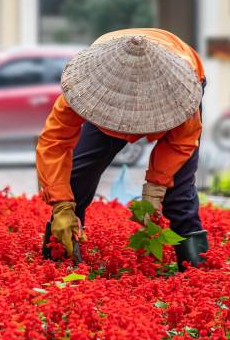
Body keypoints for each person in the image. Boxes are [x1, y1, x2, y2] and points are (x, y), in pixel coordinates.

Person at [37, 28, 207, 271]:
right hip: (108, 97)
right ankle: (60, 257)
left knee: (178, 194)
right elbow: (54, 142)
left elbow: (181, 142)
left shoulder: (181, 92)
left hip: (173, 79)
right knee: (77, 176)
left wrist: (156, 188)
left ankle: (196, 270)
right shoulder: (86, 86)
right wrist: (62, 205)